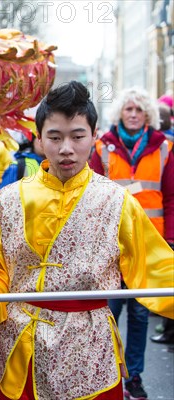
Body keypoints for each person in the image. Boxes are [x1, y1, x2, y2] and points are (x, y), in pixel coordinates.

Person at [0, 81, 174, 400]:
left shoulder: (117, 201)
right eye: (55, 137)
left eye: (77, 136)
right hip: (23, 348)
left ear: (94, 137)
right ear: (39, 139)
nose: (66, 148)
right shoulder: (9, 200)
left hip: (91, 350)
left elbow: (157, 272)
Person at [88, 87, 174, 399]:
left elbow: (171, 196)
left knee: (139, 316)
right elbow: (92, 196)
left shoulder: (164, 146)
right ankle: (110, 374)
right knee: (108, 313)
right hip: (112, 244)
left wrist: (171, 239)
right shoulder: (102, 147)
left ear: (148, 113)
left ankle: (134, 376)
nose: (134, 114)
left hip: (149, 245)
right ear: (121, 113)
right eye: (129, 109)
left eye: (139, 109)